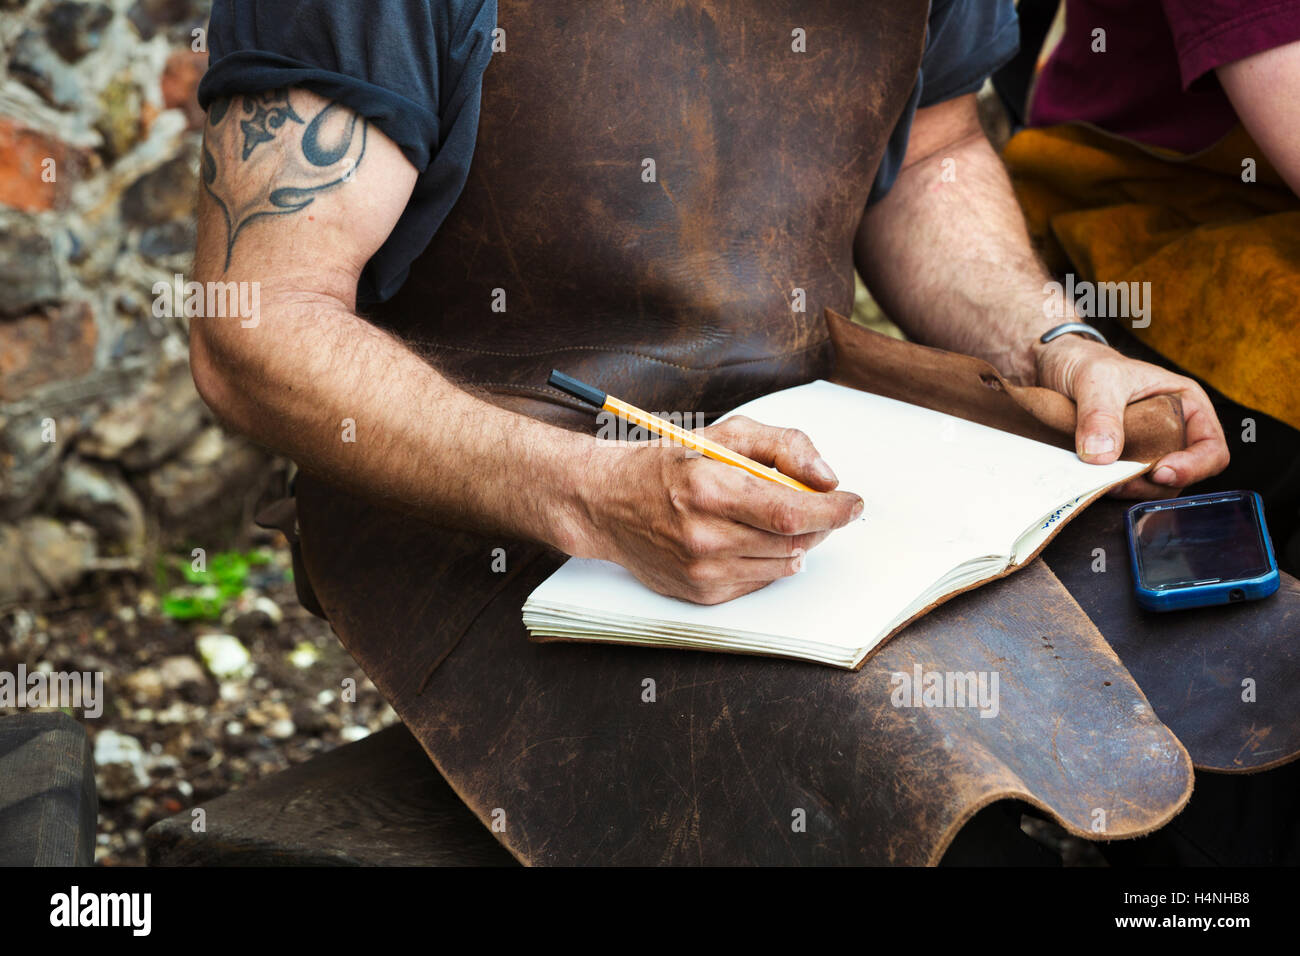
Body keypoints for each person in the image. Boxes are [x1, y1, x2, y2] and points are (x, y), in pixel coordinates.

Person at [190, 1, 1228, 611]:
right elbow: (256, 324)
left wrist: (1056, 345)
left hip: (810, 475)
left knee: (1210, 665)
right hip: (495, 521)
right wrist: (589, 494)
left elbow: (936, 151)